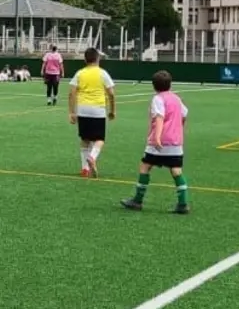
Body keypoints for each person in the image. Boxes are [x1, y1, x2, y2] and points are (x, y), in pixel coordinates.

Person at [122, 70, 190, 214]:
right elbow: (184, 114)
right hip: (175, 141)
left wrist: (157, 137)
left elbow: (159, 117)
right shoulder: (176, 99)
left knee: (145, 166)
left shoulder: (158, 99)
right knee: (176, 170)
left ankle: (137, 201)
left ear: (154, 86)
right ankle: (183, 204)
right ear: (170, 84)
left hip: (159, 142)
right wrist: (179, 127)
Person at [67, 48, 116, 178]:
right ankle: (92, 157)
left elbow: (71, 93)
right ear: (98, 59)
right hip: (97, 109)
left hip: (82, 109)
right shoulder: (102, 73)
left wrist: (71, 112)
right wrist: (112, 110)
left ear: (85, 59)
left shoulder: (80, 73)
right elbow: (111, 93)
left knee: (85, 139)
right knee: (99, 139)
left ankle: (85, 169)